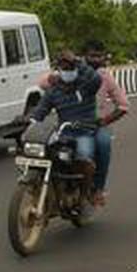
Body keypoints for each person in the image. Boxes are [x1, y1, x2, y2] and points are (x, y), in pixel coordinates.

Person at [38, 40, 129, 207]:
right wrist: (59, 75)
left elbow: (123, 105)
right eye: (92, 55)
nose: (96, 59)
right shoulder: (71, 71)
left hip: (96, 125)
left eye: (99, 56)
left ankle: (98, 190)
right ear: (85, 56)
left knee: (103, 143)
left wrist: (104, 120)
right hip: (70, 125)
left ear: (104, 58)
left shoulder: (103, 77)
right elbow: (43, 83)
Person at [28, 50, 102, 184]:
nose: (67, 71)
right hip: (62, 134)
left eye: (70, 68)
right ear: (59, 70)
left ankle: (87, 192)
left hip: (84, 132)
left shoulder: (86, 85)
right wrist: (30, 122)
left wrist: (77, 61)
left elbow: (96, 79)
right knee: (46, 155)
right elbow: (41, 110)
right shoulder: (53, 91)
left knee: (84, 159)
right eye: (64, 68)